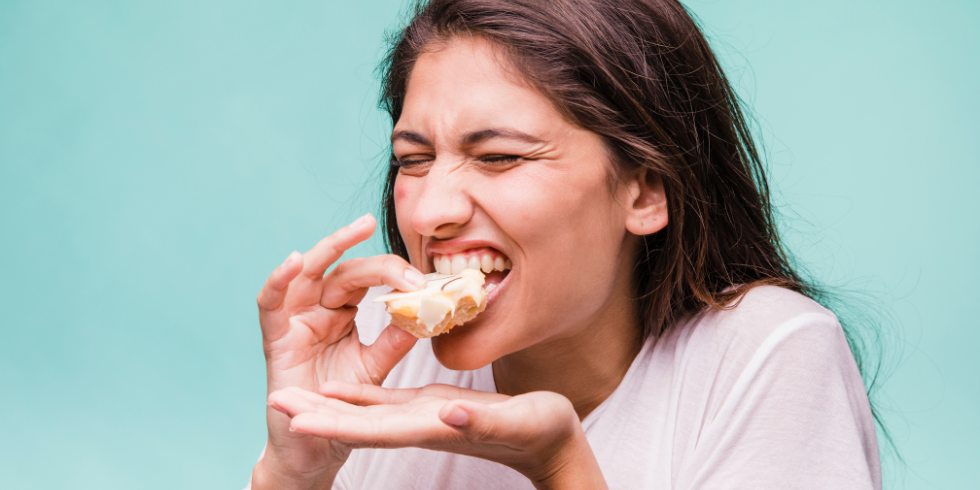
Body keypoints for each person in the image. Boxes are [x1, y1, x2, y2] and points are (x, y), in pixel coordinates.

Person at [247, 0, 882, 488]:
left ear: (644, 191)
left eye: (498, 156)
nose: (432, 212)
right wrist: (298, 468)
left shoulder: (771, 351)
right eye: (413, 160)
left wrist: (560, 463)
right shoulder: (382, 359)